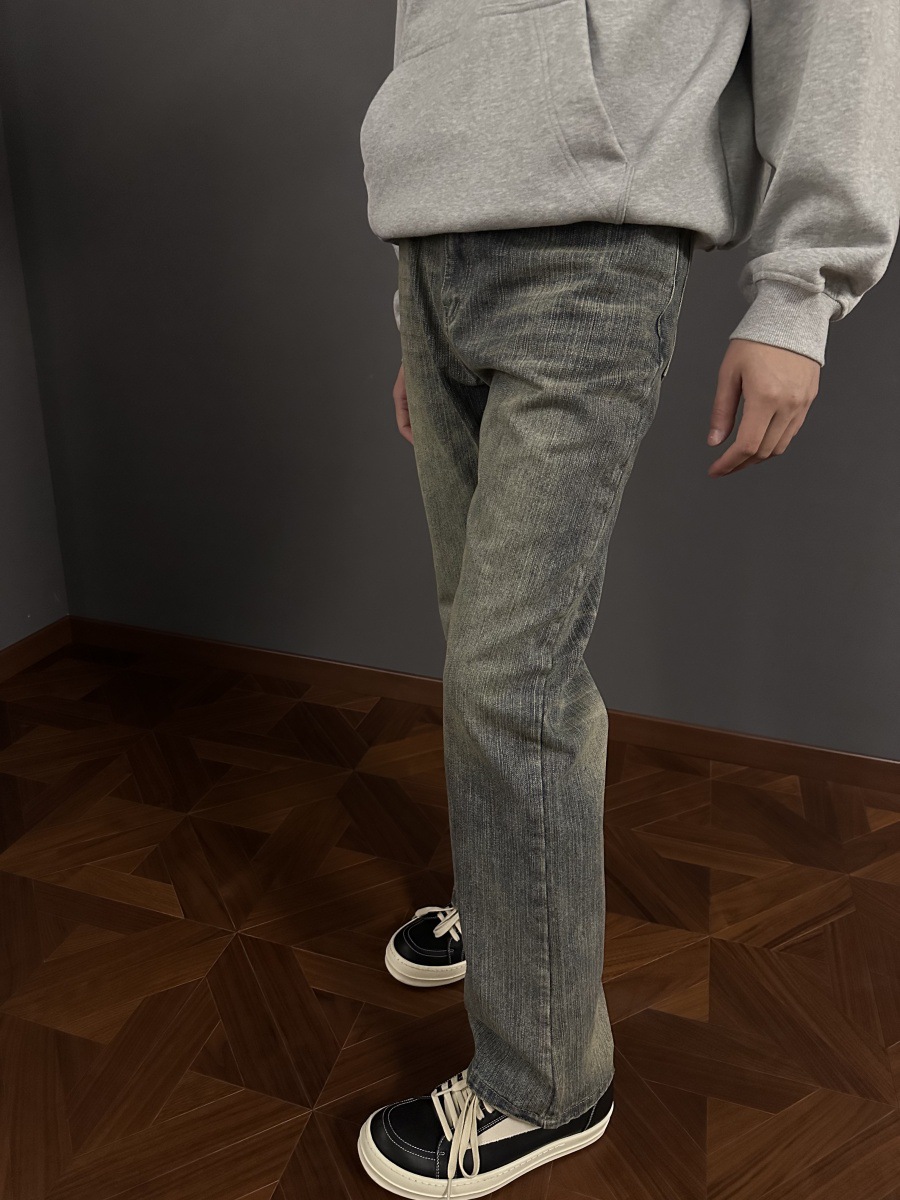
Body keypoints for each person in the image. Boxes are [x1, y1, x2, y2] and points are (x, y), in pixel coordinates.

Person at [355, 2, 899, 1196]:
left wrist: (801, 288)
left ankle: (545, 1084)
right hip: (431, 255)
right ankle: (510, 914)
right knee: (474, 633)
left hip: (588, 257)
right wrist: (418, 319)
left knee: (514, 673)